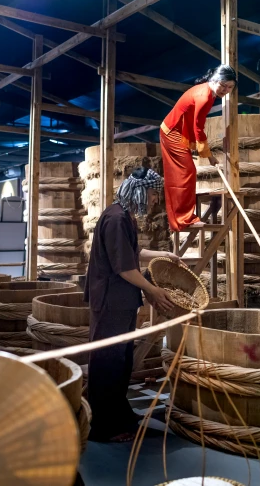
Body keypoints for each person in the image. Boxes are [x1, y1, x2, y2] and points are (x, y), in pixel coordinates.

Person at [84, 166, 180, 443]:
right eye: (152, 194)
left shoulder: (124, 216)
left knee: (121, 360)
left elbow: (133, 252)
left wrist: (162, 254)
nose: (154, 200)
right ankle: (103, 427)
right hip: (110, 300)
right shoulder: (115, 219)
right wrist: (153, 290)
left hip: (120, 301)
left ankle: (120, 416)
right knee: (107, 361)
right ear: (139, 190)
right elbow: (124, 268)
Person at [159, 64, 237, 232]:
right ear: (214, 80)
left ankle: (180, 219)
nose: (225, 89)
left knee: (183, 173)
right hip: (172, 132)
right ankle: (184, 219)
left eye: (230, 87)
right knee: (186, 172)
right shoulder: (204, 96)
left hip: (176, 131)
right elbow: (198, 127)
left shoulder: (208, 93)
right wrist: (208, 156)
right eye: (223, 85)